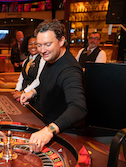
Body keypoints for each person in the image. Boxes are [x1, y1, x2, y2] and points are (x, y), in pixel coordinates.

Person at [20, 19, 87, 152]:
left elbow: (79, 108)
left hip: (65, 133)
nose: (42, 50)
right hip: (47, 122)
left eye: (47, 44)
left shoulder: (70, 70)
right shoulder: (51, 58)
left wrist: (49, 130)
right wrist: (33, 92)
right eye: (39, 45)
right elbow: (49, 81)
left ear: (61, 41)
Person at [13, 36, 45, 104]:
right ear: (27, 47)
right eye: (30, 44)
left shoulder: (43, 60)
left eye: (36, 43)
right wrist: (17, 90)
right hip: (23, 97)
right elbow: (21, 78)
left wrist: (24, 92)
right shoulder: (25, 61)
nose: (33, 46)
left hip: (35, 97)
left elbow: (38, 80)